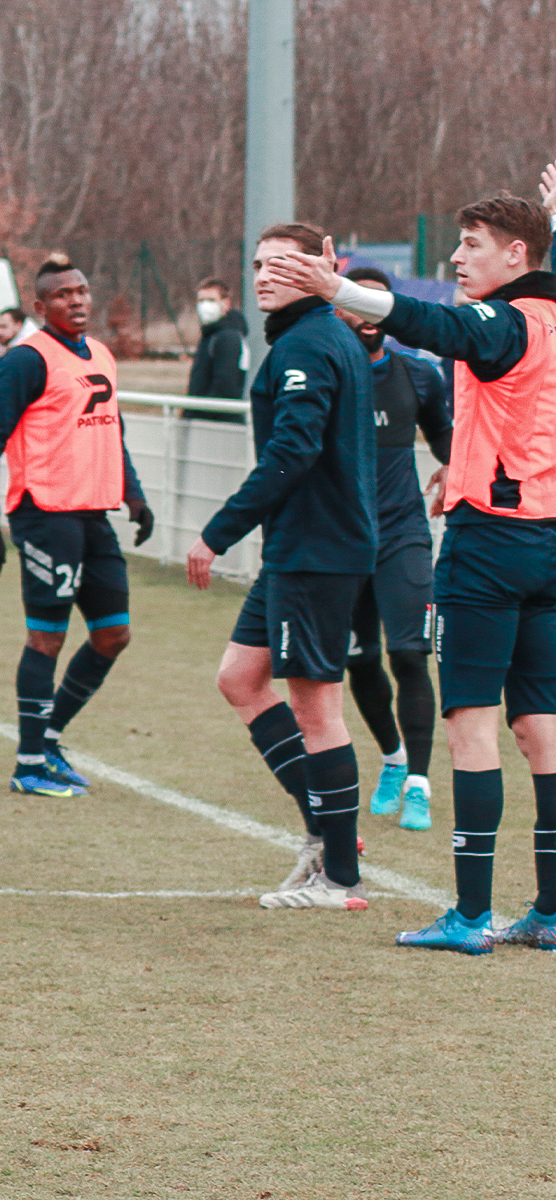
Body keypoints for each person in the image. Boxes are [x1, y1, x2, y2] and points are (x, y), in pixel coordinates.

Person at [265, 187, 556, 953]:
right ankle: (551, 914)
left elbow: (433, 324)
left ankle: (467, 918)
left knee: (472, 725)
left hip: (490, 546)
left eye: (472, 243)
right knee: (541, 729)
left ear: (517, 255)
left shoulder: (507, 321)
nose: (456, 258)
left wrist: (337, 289)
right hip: (547, 540)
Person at [186, 222, 376, 913]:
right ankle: (329, 835)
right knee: (240, 678)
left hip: (317, 553)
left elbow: (292, 453)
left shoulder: (312, 343)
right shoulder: (314, 339)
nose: (263, 275)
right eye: (259, 263)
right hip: (299, 550)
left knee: (317, 706)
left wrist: (218, 531)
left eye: (280, 265)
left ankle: (340, 877)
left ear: (319, 269)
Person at [0, 254, 155, 798]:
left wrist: (135, 496)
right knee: (47, 638)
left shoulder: (100, 353)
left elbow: (111, 432)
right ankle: (29, 765)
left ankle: (46, 738)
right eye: (63, 295)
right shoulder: (27, 360)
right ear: (40, 306)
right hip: (45, 515)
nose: (76, 300)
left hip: (93, 516)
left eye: (82, 290)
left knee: (113, 634)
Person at [333, 267, 451, 833]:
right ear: (338, 310)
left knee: (409, 655)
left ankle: (420, 785)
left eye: (375, 306)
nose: (364, 319)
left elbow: (447, 436)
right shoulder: (331, 374)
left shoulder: (420, 376)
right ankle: (391, 760)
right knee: (359, 660)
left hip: (403, 534)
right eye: (354, 307)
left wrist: (452, 469)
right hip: (346, 540)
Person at [184, 276, 250, 421]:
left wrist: (196, 415)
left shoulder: (227, 338)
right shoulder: (210, 335)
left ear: (225, 303)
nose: (205, 305)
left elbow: (224, 388)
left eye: (211, 300)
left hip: (218, 426)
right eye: (201, 301)